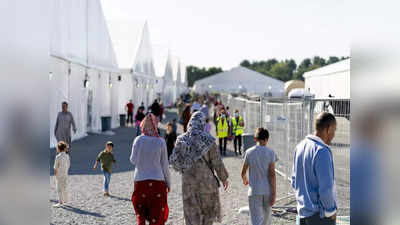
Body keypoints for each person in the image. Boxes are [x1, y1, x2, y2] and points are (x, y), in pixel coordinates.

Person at [169, 111, 229, 225]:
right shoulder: (209, 140)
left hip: (189, 185)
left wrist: (186, 166)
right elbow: (217, 162)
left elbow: (174, 162)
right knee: (208, 215)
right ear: (202, 124)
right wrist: (224, 178)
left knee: (191, 216)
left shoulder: (181, 139)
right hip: (207, 184)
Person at [291, 112, 337, 225]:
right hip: (319, 217)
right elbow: (326, 188)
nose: (334, 135)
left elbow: (294, 181)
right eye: (334, 130)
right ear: (328, 129)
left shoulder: (300, 146)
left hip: (302, 213)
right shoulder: (322, 151)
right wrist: (330, 211)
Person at [130, 113, 171, 225]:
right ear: (155, 125)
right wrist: (168, 183)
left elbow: (133, 160)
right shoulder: (161, 141)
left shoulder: (138, 140)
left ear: (143, 125)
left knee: (141, 214)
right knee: (156, 217)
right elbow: (165, 165)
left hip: (140, 181)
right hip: (158, 182)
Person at [241, 128, 277, 225]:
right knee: (267, 220)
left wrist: (245, 180)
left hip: (254, 191)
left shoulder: (249, 152)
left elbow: (243, 172)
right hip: (267, 190)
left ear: (255, 138)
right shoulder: (271, 152)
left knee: (256, 221)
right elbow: (272, 174)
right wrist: (274, 193)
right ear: (267, 139)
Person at [53, 141, 71, 207]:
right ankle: (66, 200)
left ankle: (60, 202)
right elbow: (69, 164)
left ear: (58, 148)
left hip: (59, 174)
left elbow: (55, 167)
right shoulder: (67, 156)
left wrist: (55, 174)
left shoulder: (58, 157)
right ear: (64, 148)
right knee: (65, 186)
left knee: (59, 188)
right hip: (65, 173)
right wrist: (66, 170)